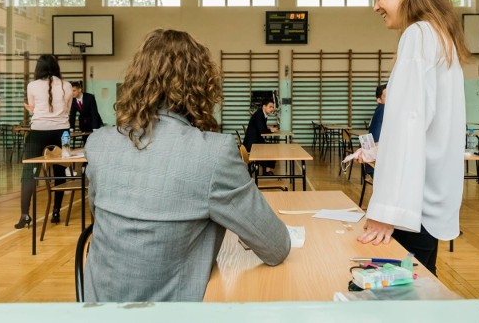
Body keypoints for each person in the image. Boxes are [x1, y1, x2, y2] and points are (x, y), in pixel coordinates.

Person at [83, 29, 290, 302]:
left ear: (136, 80)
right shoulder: (214, 153)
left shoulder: (99, 144)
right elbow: (276, 246)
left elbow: (102, 219)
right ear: (201, 86)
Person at [357, 0, 470, 275]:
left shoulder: (418, 35)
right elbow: (423, 124)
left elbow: (407, 127)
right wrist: (381, 147)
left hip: (410, 208)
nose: (375, 5)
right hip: (426, 202)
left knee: (402, 299)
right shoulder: (440, 35)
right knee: (418, 290)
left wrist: (385, 211)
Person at [15, 55, 72, 229]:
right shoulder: (67, 85)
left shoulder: (32, 85)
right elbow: (66, 110)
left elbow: (35, 110)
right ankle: (56, 211)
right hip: (62, 132)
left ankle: (25, 215)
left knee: (29, 173)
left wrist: (35, 110)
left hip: (38, 131)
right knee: (60, 171)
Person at [243, 97, 279, 175]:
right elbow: (262, 131)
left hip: (255, 140)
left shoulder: (261, 114)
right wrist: (271, 130)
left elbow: (261, 127)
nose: (272, 109)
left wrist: (268, 129)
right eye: (270, 107)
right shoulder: (259, 115)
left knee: (271, 147)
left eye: (273, 107)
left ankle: (265, 169)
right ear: (264, 106)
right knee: (271, 148)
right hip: (252, 143)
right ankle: (266, 171)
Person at [364, 84, 387, 177]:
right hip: (378, 163)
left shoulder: (382, 110)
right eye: (386, 96)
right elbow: (376, 140)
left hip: (374, 162)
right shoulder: (382, 109)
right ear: (379, 100)